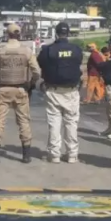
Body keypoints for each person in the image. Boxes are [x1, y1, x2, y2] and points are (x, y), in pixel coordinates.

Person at [0, 23, 41, 164]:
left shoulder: (0, 51)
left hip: (3, 89)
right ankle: (26, 154)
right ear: (19, 34)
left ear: (7, 34)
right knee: (24, 121)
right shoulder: (26, 51)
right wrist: (31, 83)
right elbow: (37, 72)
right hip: (21, 89)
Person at [37, 22, 83, 163]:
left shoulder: (48, 50)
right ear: (68, 33)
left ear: (56, 33)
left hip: (53, 90)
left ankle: (55, 154)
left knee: (54, 122)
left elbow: (41, 63)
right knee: (71, 123)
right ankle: (72, 154)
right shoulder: (76, 50)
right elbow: (78, 63)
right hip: (72, 91)